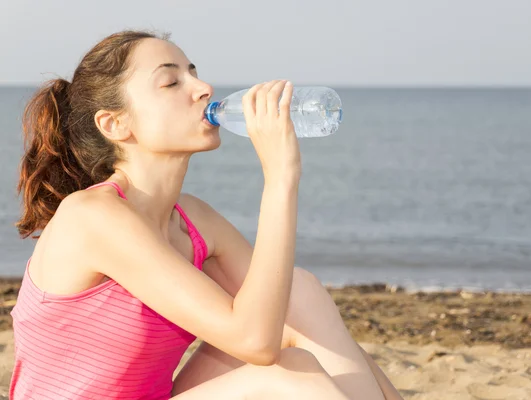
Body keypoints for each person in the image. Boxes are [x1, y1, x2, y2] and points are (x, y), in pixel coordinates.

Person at [9, 30, 403, 400]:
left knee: (299, 294)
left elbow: (288, 317)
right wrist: (281, 177)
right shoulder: (93, 217)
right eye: (171, 83)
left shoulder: (195, 220)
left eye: (193, 73)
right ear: (115, 124)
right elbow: (255, 344)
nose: (203, 89)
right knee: (284, 374)